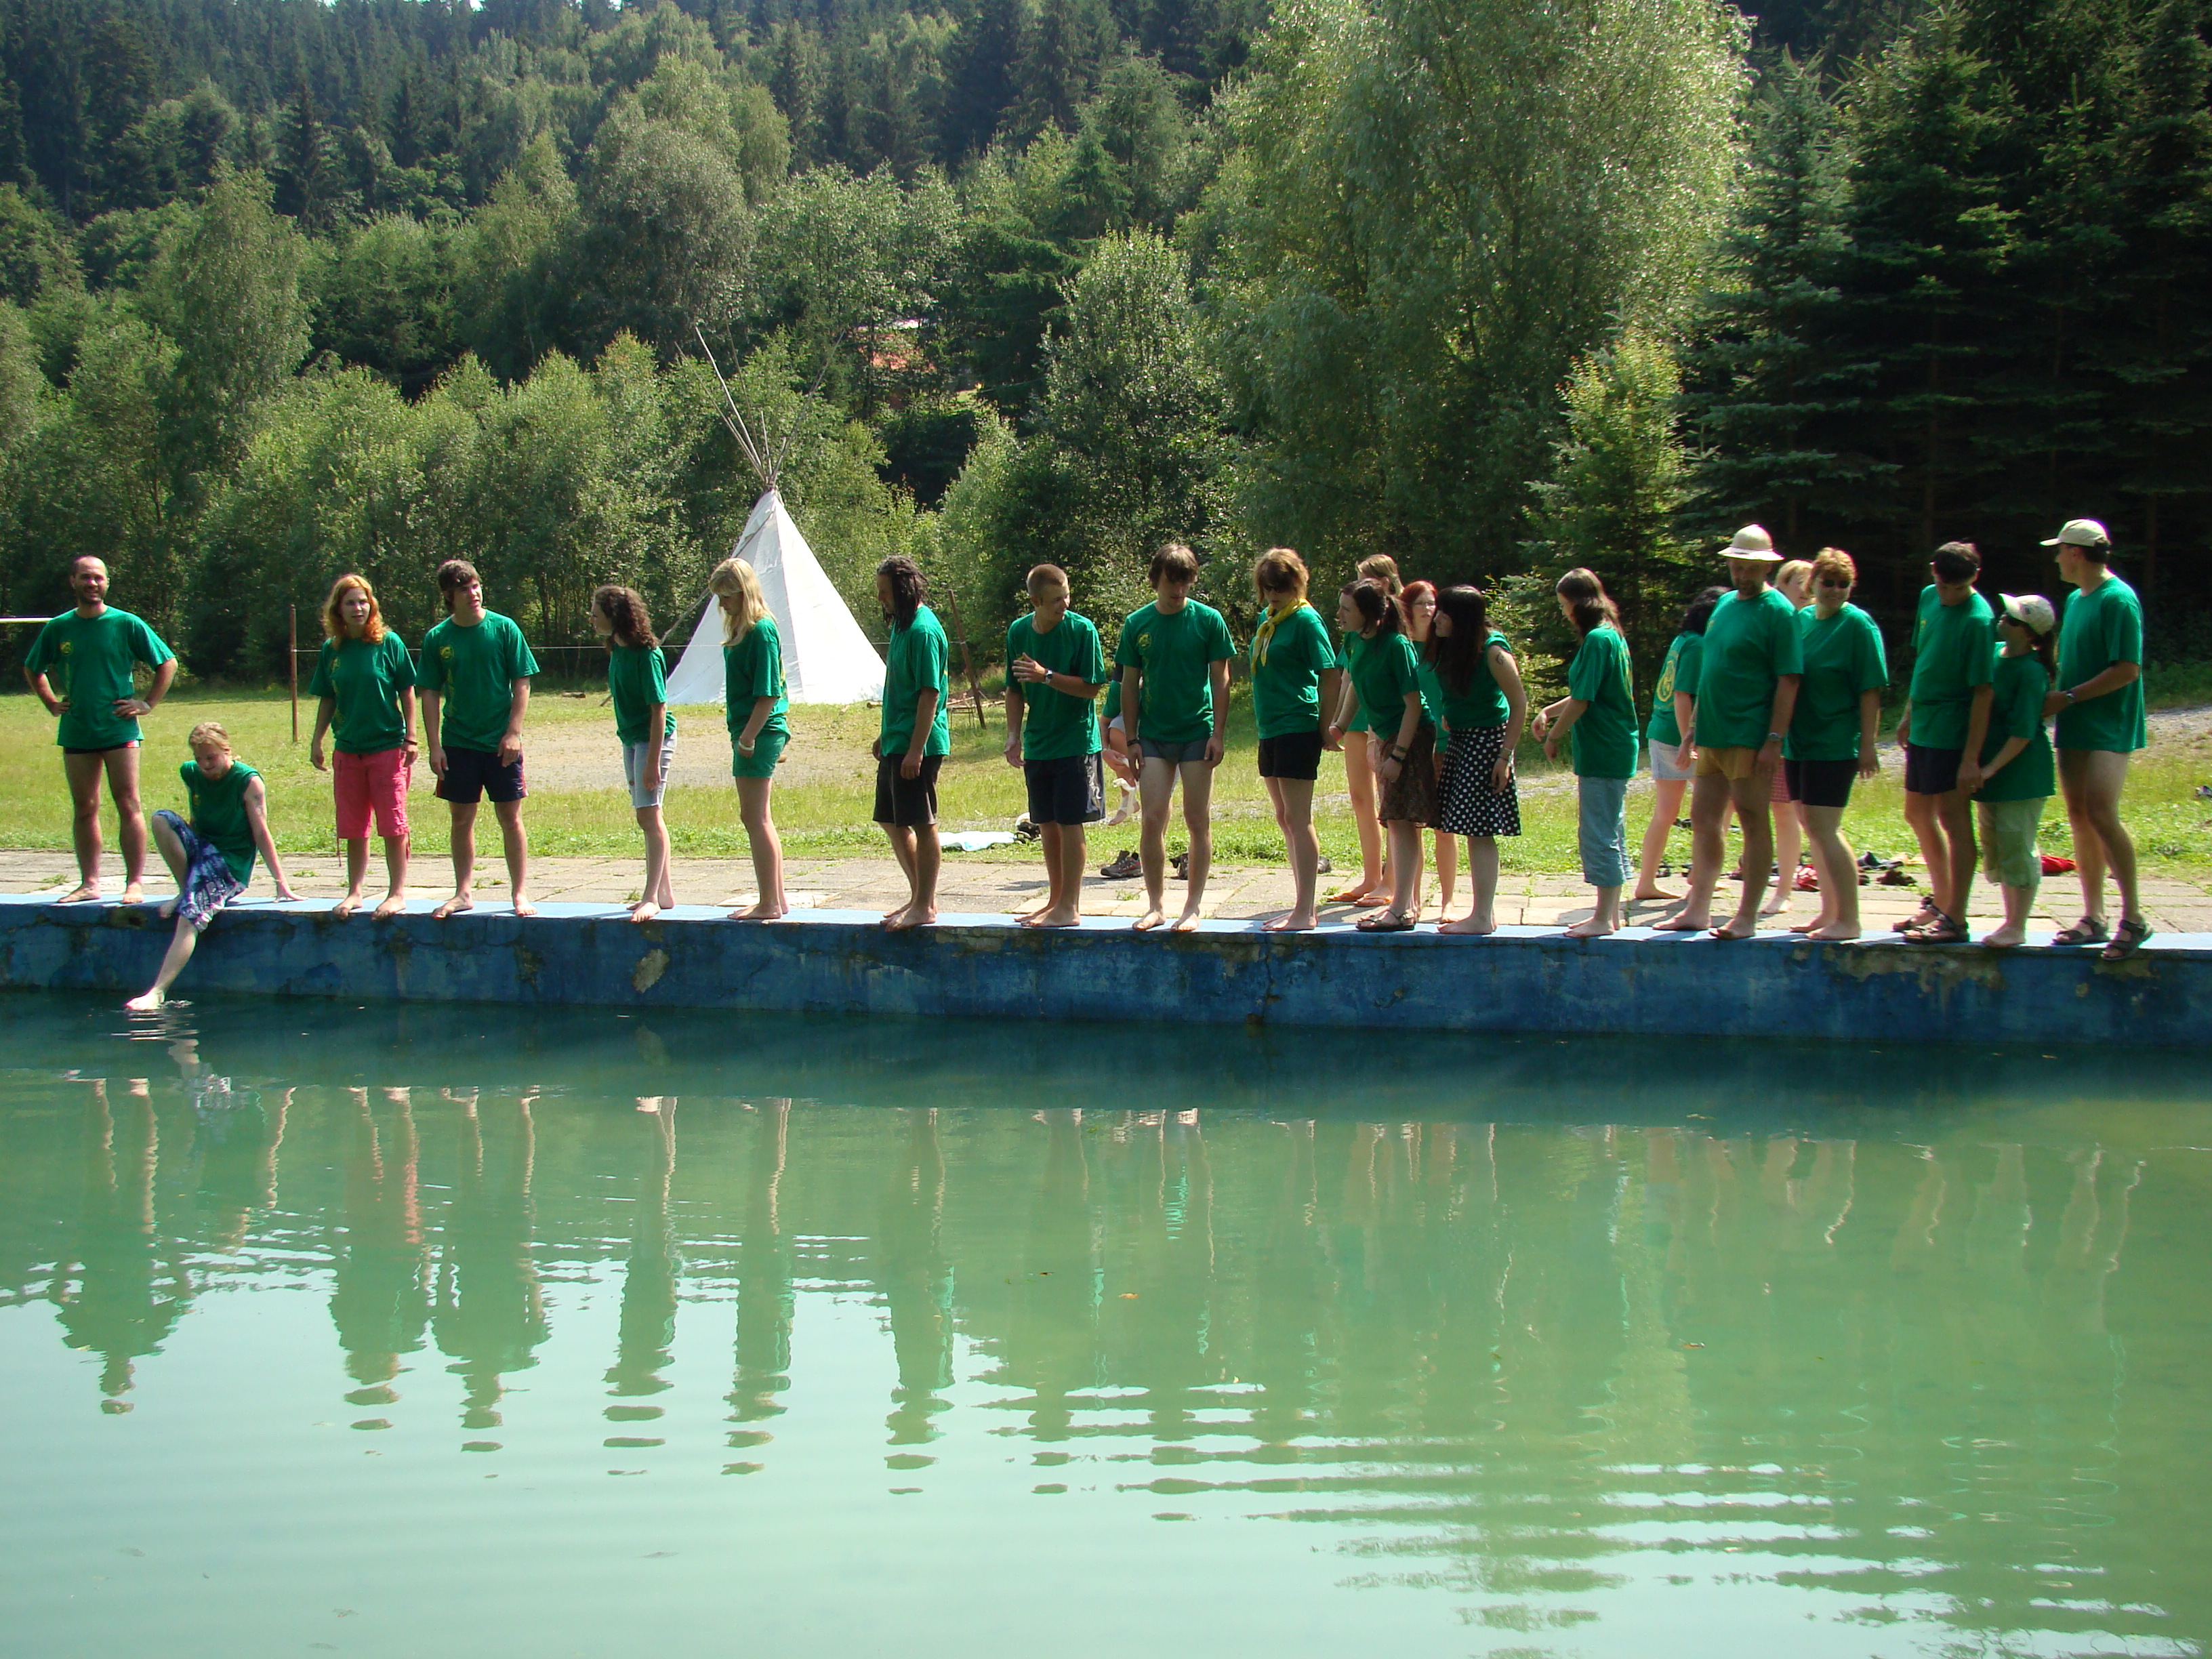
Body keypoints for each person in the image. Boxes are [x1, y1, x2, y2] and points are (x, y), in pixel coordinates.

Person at [1660, 525, 1803, 939]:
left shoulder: (1778, 611)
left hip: (1750, 733)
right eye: (1737, 565)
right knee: (1704, 818)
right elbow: (1711, 670)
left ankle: (1747, 916)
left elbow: (1789, 679)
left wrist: (1774, 739)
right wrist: (1693, 728)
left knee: (1754, 819)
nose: (1742, 573)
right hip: (1713, 732)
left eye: (1751, 566)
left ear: (1766, 566)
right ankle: (1698, 909)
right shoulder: (1723, 605)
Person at [22, 555, 178, 905]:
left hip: (119, 729)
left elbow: (167, 663)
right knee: (85, 806)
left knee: (128, 803)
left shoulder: (126, 623)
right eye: (85, 577)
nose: (92, 583)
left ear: (107, 582)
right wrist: (50, 702)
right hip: (78, 729)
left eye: (98, 578)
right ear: (73, 581)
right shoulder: (59, 627)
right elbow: (34, 668)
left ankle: (134, 883)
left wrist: (147, 703)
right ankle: (89, 882)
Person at [125, 722, 299, 1010]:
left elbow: (261, 832)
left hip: (228, 864)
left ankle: (157, 992)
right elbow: (196, 816)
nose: (205, 765)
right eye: (199, 759)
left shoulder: (248, 781)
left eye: (211, 758)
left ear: (227, 751)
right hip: (202, 853)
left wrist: (281, 883)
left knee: (189, 917)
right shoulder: (190, 773)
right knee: (161, 819)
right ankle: (185, 890)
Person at [2040, 518, 2149, 958]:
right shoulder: (2075, 599)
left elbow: (2128, 670)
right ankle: (2094, 916)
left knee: (2102, 813)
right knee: (2079, 815)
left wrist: (2068, 697)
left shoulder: (2118, 599)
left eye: (2059, 551)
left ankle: (2134, 917)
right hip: (2075, 724)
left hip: (2111, 724)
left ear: (2076, 553)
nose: (2056, 559)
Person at [1116, 543, 1237, 933]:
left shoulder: (1208, 620)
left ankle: (1193, 907)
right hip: (1153, 735)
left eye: (1186, 582)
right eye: (1172, 582)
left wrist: (1218, 734)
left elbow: (1221, 679)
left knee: (1197, 819)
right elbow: (1129, 684)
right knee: (1152, 818)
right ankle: (1155, 906)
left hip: (1197, 733)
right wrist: (1131, 739)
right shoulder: (1137, 623)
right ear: (1156, 580)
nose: (1179, 590)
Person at [419, 558, 541, 919]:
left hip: (501, 742)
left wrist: (514, 733)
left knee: (510, 817)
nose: (473, 594)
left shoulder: (504, 628)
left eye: (476, 586)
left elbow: (522, 682)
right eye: (464, 589)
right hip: (458, 742)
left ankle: (519, 893)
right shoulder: (437, 638)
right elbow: (429, 693)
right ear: (449, 596)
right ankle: (463, 892)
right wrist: (434, 746)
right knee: (461, 818)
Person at [1782, 550, 1887, 941]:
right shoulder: (1802, 620)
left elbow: (1870, 690)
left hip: (1835, 742)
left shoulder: (1858, 625)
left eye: (1844, 584)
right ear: (1813, 583)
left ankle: (1849, 919)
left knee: (1826, 828)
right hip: (1799, 742)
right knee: (1811, 827)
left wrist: (1868, 745)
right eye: (1829, 583)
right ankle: (1828, 913)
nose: (1836, 591)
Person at [1895, 541, 1996, 945]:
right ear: (1933, 571)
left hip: (1952, 731)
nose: (1949, 595)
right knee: (1916, 812)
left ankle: (1956, 918)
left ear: (1974, 578)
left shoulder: (1978, 620)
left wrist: (1971, 758)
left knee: (1953, 820)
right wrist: (1908, 713)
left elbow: (1983, 693)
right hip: (1924, 723)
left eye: (1958, 588)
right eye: (1943, 586)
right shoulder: (1928, 598)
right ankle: (1941, 900)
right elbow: (1923, 659)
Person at [1004, 564, 1109, 928]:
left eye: (1067, 596)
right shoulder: (1019, 632)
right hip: (1039, 744)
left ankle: (1070, 907)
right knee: (1046, 824)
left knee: (1069, 822)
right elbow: (1014, 689)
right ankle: (1054, 901)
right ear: (1035, 602)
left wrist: (1046, 676)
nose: (1065, 604)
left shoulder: (1082, 630)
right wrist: (1013, 735)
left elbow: (1092, 687)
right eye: (1056, 600)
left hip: (1076, 743)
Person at [1532, 569, 1637, 937]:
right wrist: (1549, 711)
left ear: (1579, 603)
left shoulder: (1596, 639)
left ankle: (1604, 918)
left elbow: (1583, 700)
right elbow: (1584, 692)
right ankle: (1612, 913)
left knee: (1598, 832)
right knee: (1612, 828)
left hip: (1604, 748)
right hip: (1614, 746)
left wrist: (1554, 736)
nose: (1564, 612)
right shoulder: (1612, 635)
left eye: (1564, 604)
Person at [308, 574, 417, 920]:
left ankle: (396, 893)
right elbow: (327, 697)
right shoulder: (332, 650)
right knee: (353, 825)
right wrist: (317, 740)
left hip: (388, 746)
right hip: (348, 749)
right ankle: (355, 891)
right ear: (338, 609)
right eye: (351, 603)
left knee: (393, 824)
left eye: (363, 602)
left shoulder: (389, 643)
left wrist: (411, 737)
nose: (358, 608)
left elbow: (407, 689)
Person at [1246, 548, 1343, 932]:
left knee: (1299, 819)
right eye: (1268, 588)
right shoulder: (1267, 619)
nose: (1273, 595)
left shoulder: (1306, 620)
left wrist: (1327, 726)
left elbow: (1330, 673)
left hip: (1297, 725)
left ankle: (1306, 911)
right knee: (1284, 817)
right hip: (1269, 727)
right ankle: (1299, 903)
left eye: (1281, 588)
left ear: (1297, 584)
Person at [1334, 577, 1437, 931]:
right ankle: (1404, 904)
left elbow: (1414, 706)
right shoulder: (1355, 641)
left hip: (1409, 735)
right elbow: (1356, 685)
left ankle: (1403, 908)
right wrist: (1340, 724)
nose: (1339, 615)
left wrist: (1398, 756)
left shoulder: (1396, 646)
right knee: (1396, 820)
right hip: (1384, 735)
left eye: (1346, 609)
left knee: (1403, 820)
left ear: (1367, 613)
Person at [1427, 586, 1525, 936]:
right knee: (1471, 830)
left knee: (1480, 831)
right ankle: (1485, 913)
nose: (1437, 619)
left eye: (1444, 613)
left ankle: (1481, 917)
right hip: (1461, 741)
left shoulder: (1493, 651)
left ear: (1463, 619)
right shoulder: (1453, 645)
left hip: (1486, 744)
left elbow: (1519, 704)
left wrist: (1504, 757)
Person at [709, 556, 790, 922]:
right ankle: (777, 898)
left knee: (753, 817)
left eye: (727, 596)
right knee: (760, 817)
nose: (722, 604)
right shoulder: (745, 631)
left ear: (744, 592)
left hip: (759, 731)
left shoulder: (761, 630)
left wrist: (747, 739)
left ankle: (769, 902)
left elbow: (769, 692)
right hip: (749, 730)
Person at [590, 586, 676, 924]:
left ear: (615, 615)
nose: (592, 619)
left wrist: (653, 762)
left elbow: (659, 709)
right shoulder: (616, 648)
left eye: (597, 613)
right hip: (631, 738)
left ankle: (651, 897)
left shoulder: (647, 655)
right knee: (648, 815)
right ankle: (664, 892)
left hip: (652, 740)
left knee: (648, 815)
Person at [1977, 594, 2059, 949]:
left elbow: (2023, 733)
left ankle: (2017, 925)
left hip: (2021, 772)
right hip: (1990, 770)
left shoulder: (2031, 671)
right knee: (1995, 843)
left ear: (2029, 634)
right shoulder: (1994, 654)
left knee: (2017, 842)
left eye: (2012, 620)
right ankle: (2008, 919)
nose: (2002, 620)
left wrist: (1990, 769)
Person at [874, 554, 950, 931]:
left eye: (885, 592)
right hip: (897, 739)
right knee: (891, 821)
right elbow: (900, 689)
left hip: (918, 744)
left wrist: (916, 749)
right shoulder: (902, 626)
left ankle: (925, 904)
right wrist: (885, 736)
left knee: (922, 822)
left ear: (904, 590)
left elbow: (929, 694)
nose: (880, 599)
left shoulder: (923, 630)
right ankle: (920, 895)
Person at [1635, 586, 1723, 903]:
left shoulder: (1683, 639)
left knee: (1671, 812)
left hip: (1663, 731)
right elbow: (1682, 695)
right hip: (1676, 737)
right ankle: (1667, 881)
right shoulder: (1698, 644)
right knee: (1705, 811)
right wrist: (1689, 741)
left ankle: (1670, 878)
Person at [1330, 553, 1403, 904]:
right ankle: (1371, 877)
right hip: (1355, 717)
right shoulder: (1353, 634)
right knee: (1361, 797)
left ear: (1384, 583)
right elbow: (1348, 676)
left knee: (1390, 802)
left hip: (1383, 719)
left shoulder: (1394, 627)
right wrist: (1336, 723)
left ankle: (1392, 881)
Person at [1399, 581, 1459, 922]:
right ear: (1407, 610)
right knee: (1412, 826)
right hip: (1413, 743)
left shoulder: (1447, 647)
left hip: (1446, 744)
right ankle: (1412, 899)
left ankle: (1448, 900)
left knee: (1444, 828)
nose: (1428, 609)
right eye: (1420, 603)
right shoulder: (1403, 649)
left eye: (1432, 603)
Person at [1762, 558, 1815, 914]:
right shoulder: (1777, 620)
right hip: (1770, 728)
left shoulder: (1814, 624)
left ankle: (1784, 890)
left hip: (1802, 732)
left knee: (1794, 812)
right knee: (1772, 809)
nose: (1808, 593)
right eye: (1801, 586)